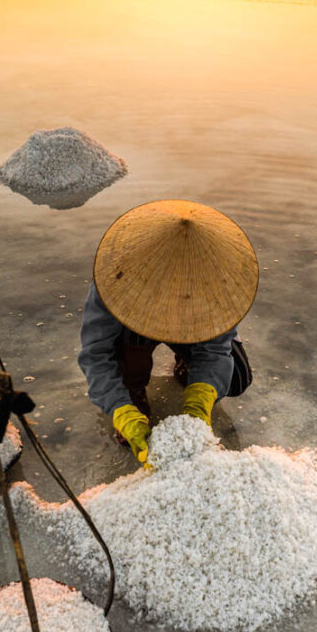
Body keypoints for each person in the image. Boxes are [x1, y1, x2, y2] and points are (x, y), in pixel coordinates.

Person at [78, 199, 259, 466]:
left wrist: (202, 396)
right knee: (127, 359)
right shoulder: (117, 277)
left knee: (237, 377)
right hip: (135, 331)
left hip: (194, 324)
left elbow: (216, 348)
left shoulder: (216, 278)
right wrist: (120, 407)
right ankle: (133, 392)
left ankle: (188, 366)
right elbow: (96, 353)